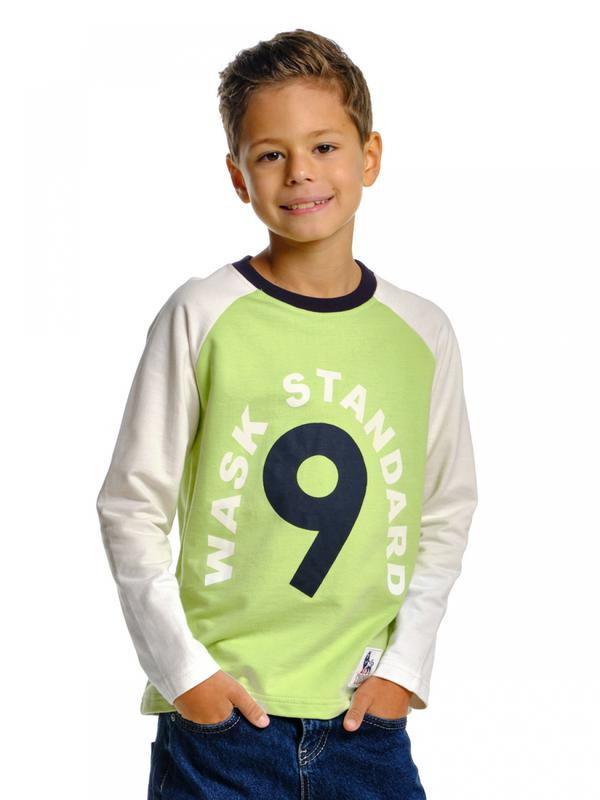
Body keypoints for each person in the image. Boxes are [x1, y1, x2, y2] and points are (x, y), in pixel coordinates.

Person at [96, 28, 478, 800]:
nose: (301, 171)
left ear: (370, 156)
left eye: (325, 146)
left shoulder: (422, 332)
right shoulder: (202, 314)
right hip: (224, 728)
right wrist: (188, 676)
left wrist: (404, 670)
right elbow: (131, 506)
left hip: (364, 724)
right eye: (271, 154)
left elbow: (445, 509)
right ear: (239, 177)